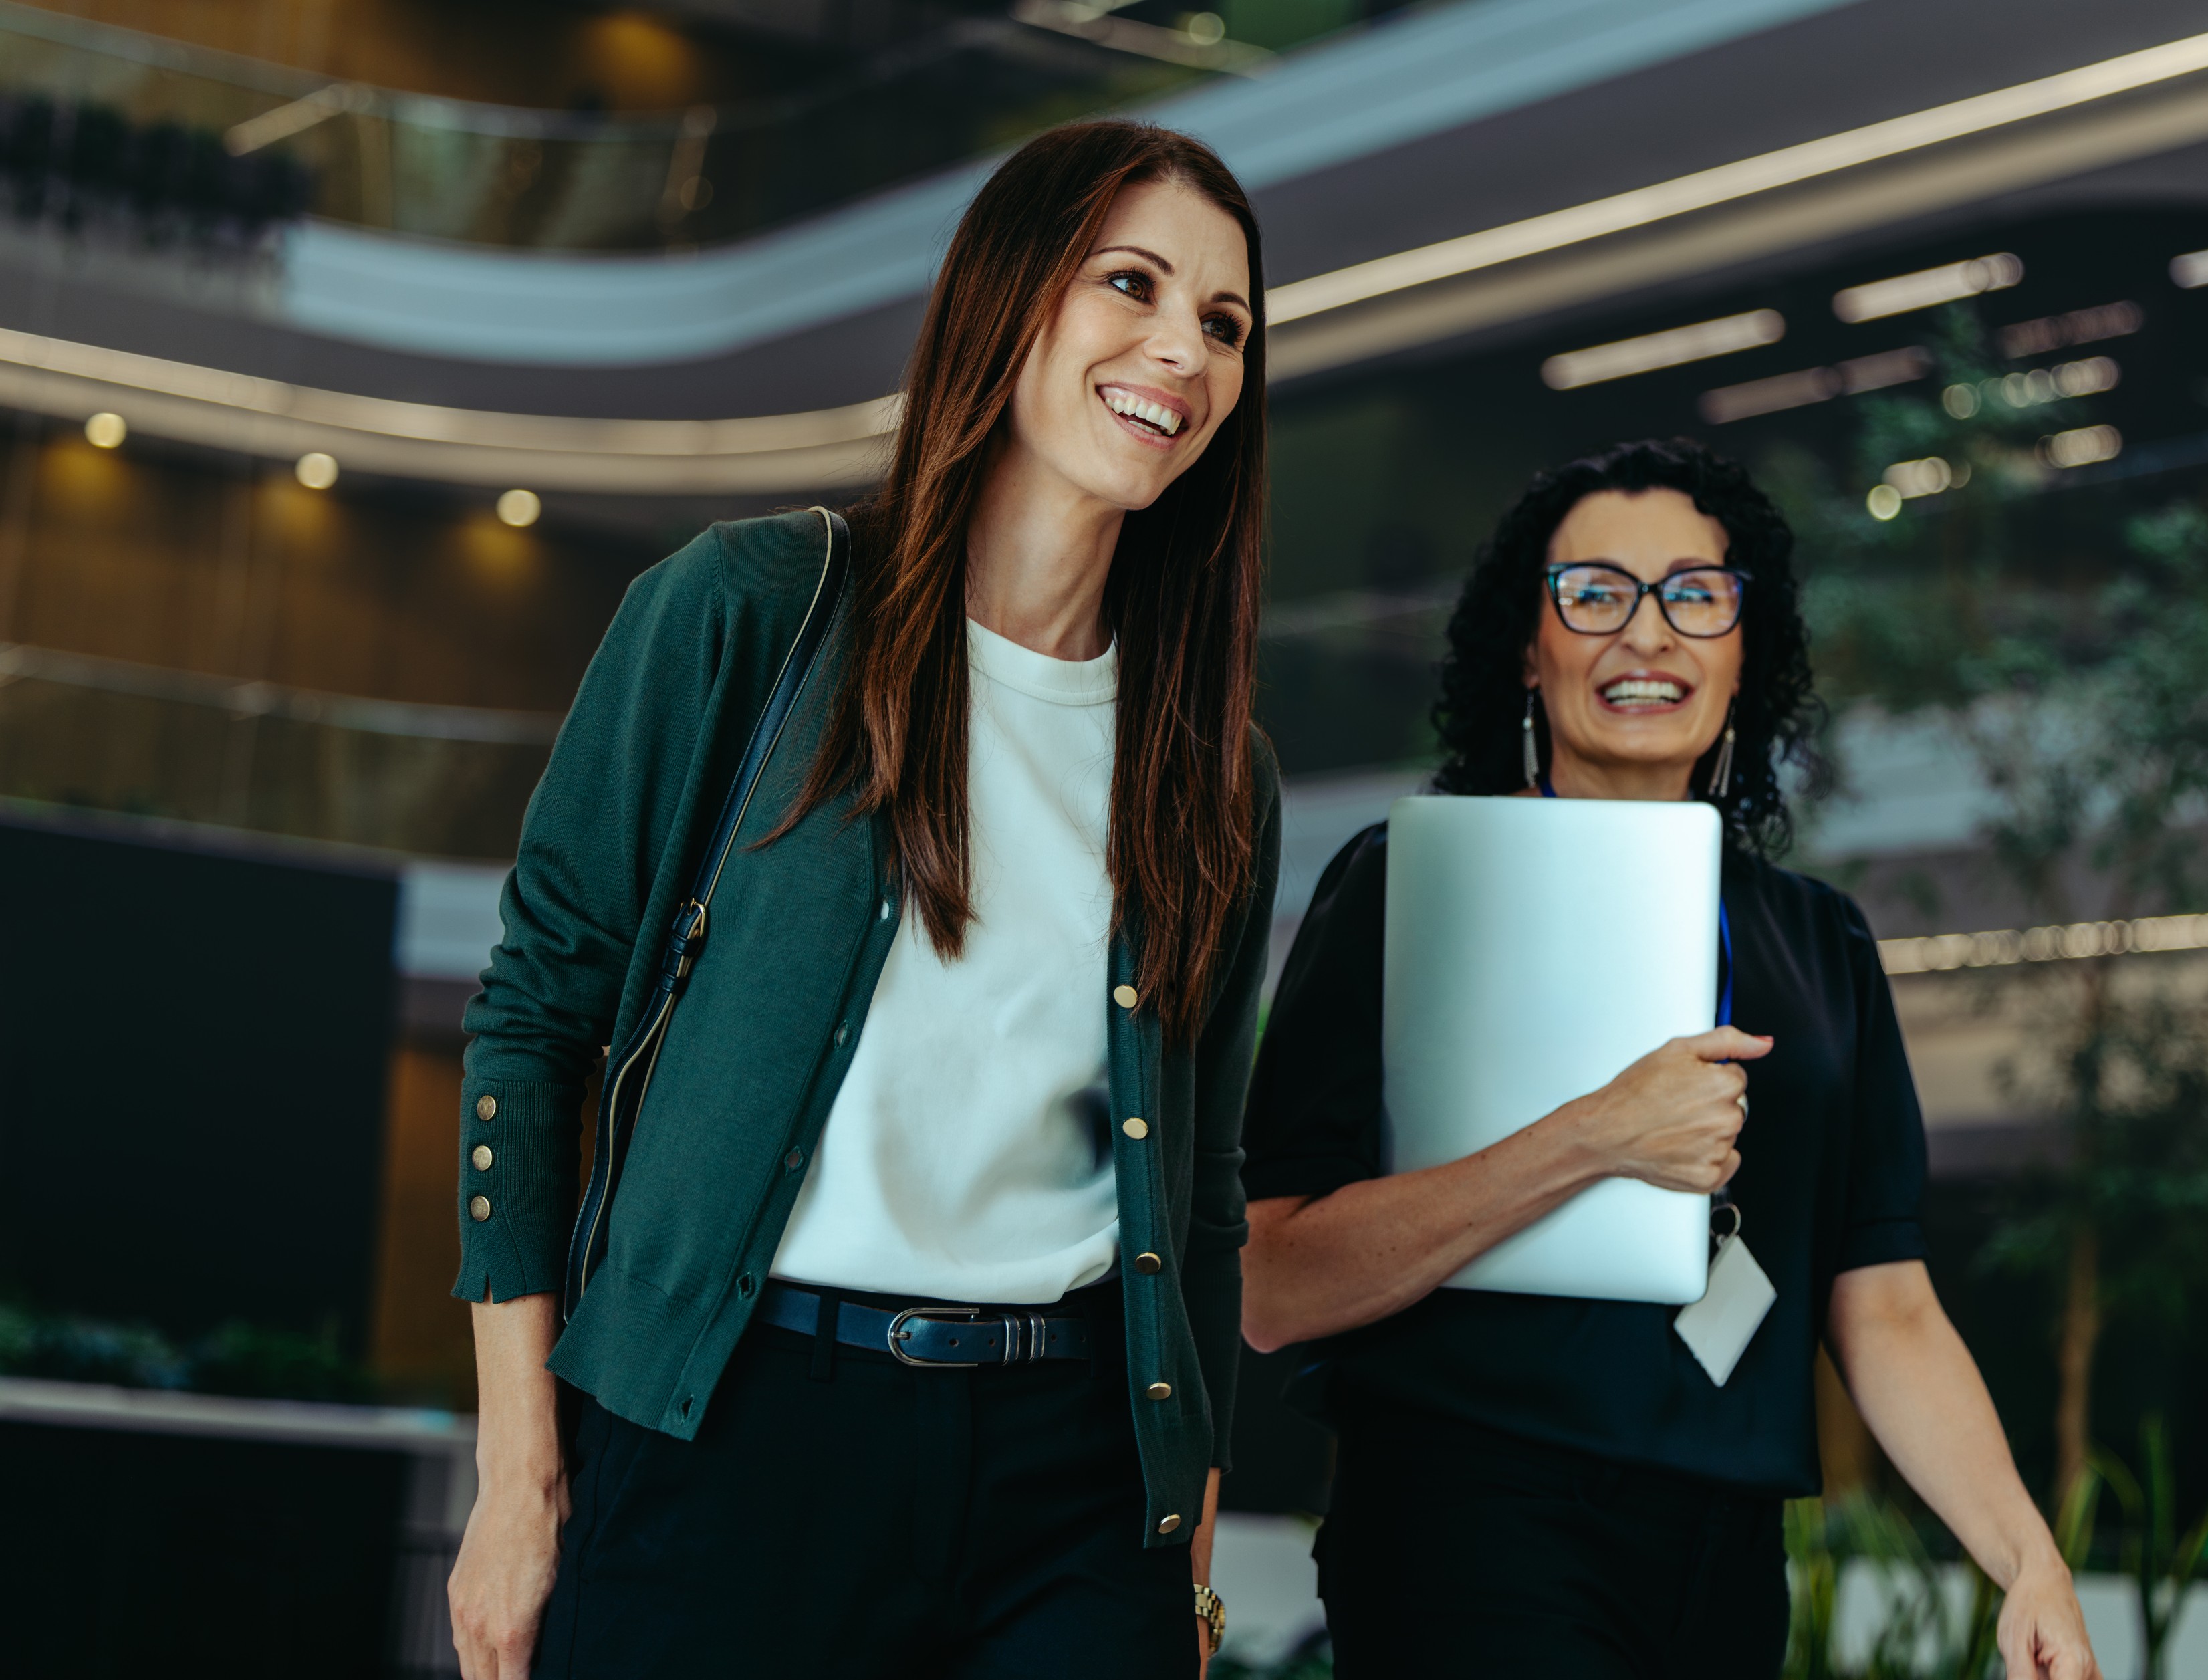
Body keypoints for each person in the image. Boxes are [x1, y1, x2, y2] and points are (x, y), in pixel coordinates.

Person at [445, 120, 1279, 1680]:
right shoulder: (750, 611)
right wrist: (517, 1473)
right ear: (1008, 298)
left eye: (1227, 324)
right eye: (1133, 284)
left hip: (1071, 1483)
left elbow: (1203, 1196)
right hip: (731, 1435)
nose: (1185, 349)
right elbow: (534, 1025)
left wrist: (1190, 1537)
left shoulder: (1214, 768)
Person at [1239, 438, 2095, 1680]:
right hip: (1471, 1531)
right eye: (1595, 593)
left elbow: (1887, 1303)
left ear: (1745, 654)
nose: (1649, 633)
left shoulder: (1821, 942)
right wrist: (1594, 1135)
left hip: (1728, 1553)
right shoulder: (1411, 887)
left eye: (1696, 594)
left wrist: (2028, 1559)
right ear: (1529, 650)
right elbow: (1271, 1283)